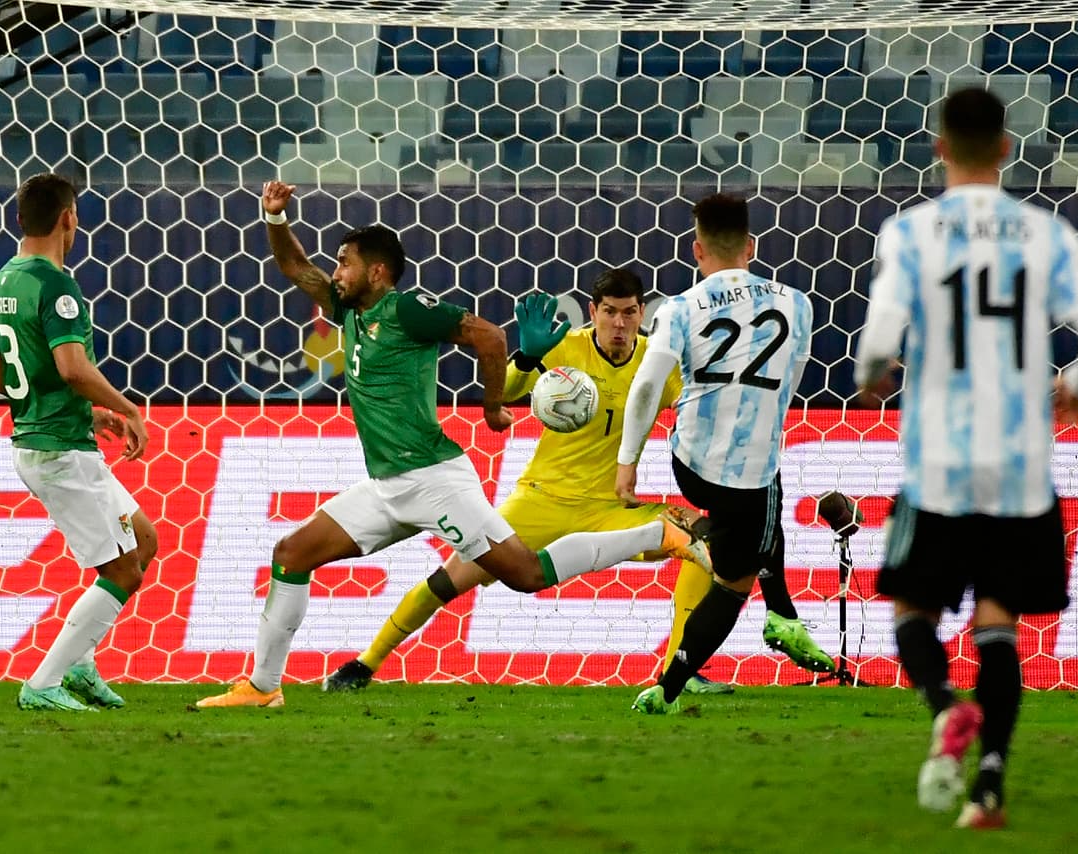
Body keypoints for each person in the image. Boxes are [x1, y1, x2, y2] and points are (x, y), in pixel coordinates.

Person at [196, 183, 712, 708]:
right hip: (387, 486)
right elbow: (293, 267)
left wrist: (492, 407)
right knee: (292, 554)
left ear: (377, 272)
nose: (336, 272)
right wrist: (274, 217)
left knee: (527, 574)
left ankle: (659, 535)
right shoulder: (347, 308)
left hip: (434, 481)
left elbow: (489, 336)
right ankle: (263, 687)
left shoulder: (406, 310)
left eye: (345, 263)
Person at [321, 269, 833, 694]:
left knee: (709, 544)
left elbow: (695, 404)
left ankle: (681, 669)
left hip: (611, 506)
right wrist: (527, 357)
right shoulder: (564, 348)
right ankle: (366, 662)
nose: (618, 323)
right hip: (539, 501)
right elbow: (509, 394)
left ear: (642, 314)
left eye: (628, 312)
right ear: (593, 311)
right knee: (449, 580)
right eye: (609, 311)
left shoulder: (658, 361)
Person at [856, 88, 1078, 830]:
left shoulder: (912, 232)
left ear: (939, 147)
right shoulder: (1046, 232)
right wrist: (1074, 383)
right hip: (1020, 468)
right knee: (998, 622)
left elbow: (879, 342)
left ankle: (945, 709)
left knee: (913, 610)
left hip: (938, 464)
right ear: (1006, 147)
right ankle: (989, 788)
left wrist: (874, 375)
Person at [616, 192, 814, 716]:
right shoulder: (797, 304)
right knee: (733, 581)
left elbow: (646, 387)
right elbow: (788, 385)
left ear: (697, 250)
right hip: (748, 476)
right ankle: (768, 623)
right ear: (751, 246)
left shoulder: (680, 308)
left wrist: (628, 463)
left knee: (746, 529)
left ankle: (769, 602)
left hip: (690, 464)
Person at [0, 173, 158, 711]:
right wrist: (128, 409)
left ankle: (81, 664)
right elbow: (72, 368)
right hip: (59, 450)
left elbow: (1, 379)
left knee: (143, 541)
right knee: (123, 571)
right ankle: (42, 684)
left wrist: (89, 412)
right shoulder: (56, 285)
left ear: (20, 220)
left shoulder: (1, 283)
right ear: (69, 218)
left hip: (47, 438)